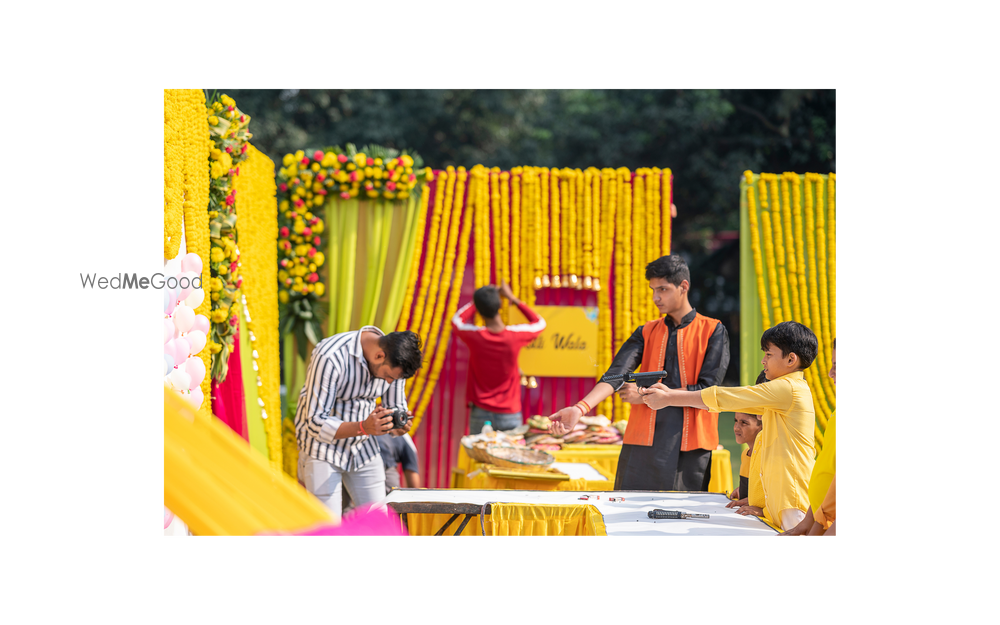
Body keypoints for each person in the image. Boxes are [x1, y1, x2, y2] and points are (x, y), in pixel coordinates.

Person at [549, 254, 730, 491]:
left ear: (683, 286)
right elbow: (615, 375)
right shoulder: (646, 331)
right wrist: (580, 408)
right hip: (643, 442)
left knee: (678, 518)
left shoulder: (713, 330)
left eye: (663, 289)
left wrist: (644, 396)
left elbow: (708, 392)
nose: (656, 297)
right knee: (629, 515)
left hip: (690, 444)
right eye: (653, 290)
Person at [639, 320, 817, 531]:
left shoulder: (789, 389)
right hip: (782, 502)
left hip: (793, 502)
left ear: (790, 359)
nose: (763, 360)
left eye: (768, 354)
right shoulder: (786, 391)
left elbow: (730, 397)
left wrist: (670, 397)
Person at [294, 327, 422, 520]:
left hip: (363, 448)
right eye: (388, 376)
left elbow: (395, 407)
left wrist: (398, 426)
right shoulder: (330, 355)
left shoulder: (395, 361)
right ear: (379, 355)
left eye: (393, 379)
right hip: (321, 448)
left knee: (378, 524)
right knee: (328, 527)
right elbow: (314, 422)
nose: (389, 382)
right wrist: (363, 427)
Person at [452, 281, 546, 434]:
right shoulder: (513, 336)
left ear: (480, 311)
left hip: (481, 411)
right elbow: (540, 323)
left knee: (478, 456)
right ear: (500, 306)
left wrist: (480, 301)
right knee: (510, 457)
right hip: (509, 413)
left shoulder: (476, 336)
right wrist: (512, 298)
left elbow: (456, 321)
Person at [777, 337, 839, 538]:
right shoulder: (836, 414)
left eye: (838, 367)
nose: (831, 374)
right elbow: (828, 472)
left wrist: (817, 528)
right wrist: (808, 521)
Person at [726, 371, 767, 508]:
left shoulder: (765, 456)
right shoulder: (746, 455)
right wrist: (742, 491)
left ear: (761, 423)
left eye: (744, 423)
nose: (737, 427)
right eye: (735, 421)